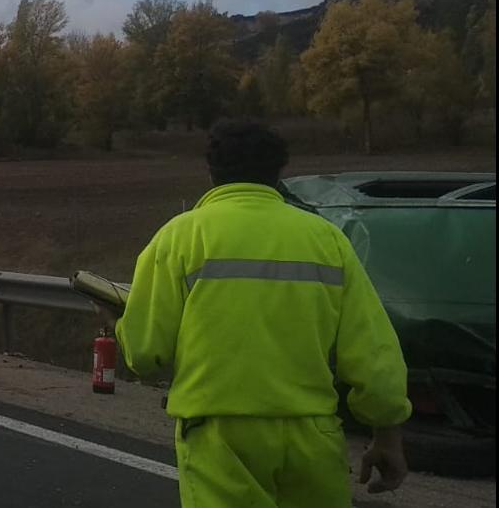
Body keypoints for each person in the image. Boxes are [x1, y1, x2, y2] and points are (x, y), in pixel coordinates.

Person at [114, 120, 410, 508]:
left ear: (211, 172)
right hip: (313, 435)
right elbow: (374, 351)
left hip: (219, 435)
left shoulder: (180, 237)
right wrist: (386, 434)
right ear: (278, 172)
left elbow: (144, 353)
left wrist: (118, 325)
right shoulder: (327, 239)